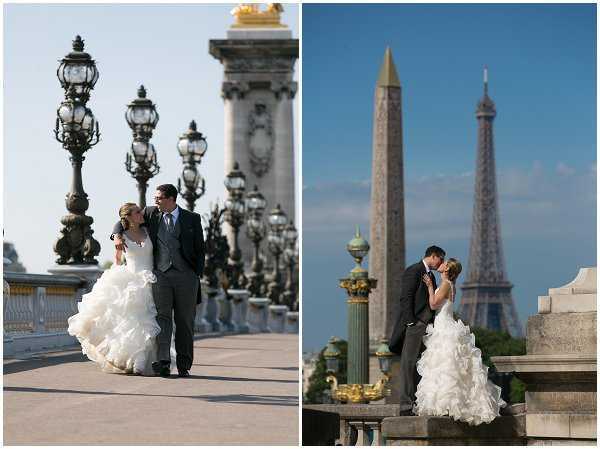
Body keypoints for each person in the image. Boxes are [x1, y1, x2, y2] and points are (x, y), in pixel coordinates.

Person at [112, 184, 205, 378]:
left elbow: (200, 248)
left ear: (171, 199)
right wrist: (117, 235)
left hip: (186, 277)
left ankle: (184, 364)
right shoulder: (151, 214)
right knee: (162, 318)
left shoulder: (192, 218)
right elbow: (123, 219)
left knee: (185, 321)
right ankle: (163, 361)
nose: (155, 201)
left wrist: (196, 274)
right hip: (160, 275)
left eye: (159, 198)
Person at [68, 203, 161, 375]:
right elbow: (118, 261)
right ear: (129, 216)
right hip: (132, 281)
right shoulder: (122, 235)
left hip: (151, 280)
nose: (142, 214)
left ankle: (141, 361)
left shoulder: (148, 229)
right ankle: (133, 361)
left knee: (148, 323)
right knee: (132, 322)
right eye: (137, 212)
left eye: (141, 211)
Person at [414, 258, 506, 425]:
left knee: (444, 367)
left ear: (447, 269)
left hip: (443, 328)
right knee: (448, 367)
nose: (441, 264)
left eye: (445, 263)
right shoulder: (450, 284)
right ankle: (450, 405)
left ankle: (445, 405)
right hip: (446, 325)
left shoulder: (446, 284)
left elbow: (434, 304)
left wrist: (429, 287)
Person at [389, 245, 446, 415]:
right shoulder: (414, 270)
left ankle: (416, 402)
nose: (441, 263)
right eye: (441, 259)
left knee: (421, 365)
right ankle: (406, 405)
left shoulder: (430, 275)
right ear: (434, 256)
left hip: (427, 327)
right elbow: (405, 298)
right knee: (408, 364)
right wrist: (411, 323)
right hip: (416, 325)